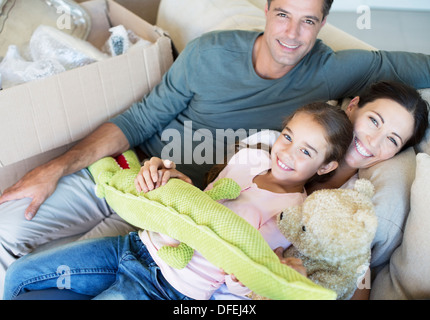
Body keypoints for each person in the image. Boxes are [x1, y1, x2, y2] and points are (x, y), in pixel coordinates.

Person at [0, 0, 429, 296]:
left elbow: (409, 68)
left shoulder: (334, 77)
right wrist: (54, 168)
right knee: (11, 229)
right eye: (283, 14)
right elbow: (139, 119)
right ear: (266, 10)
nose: (293, 34)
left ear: (321, 24)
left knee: (50, 278)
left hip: (172, 224)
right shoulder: (211, 57)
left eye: (309, 21)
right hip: (138, 171)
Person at [3, 102, 353, 300]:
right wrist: (171, 180)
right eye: (288, 136)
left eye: (306, 151)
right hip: (136, 248)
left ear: (326, 165)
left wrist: (243, 284)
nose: (287, 152)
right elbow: (205, 200)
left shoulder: (293, 215)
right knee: (21, 276)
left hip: (167, 288)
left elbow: (242, 274)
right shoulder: (252, 158)